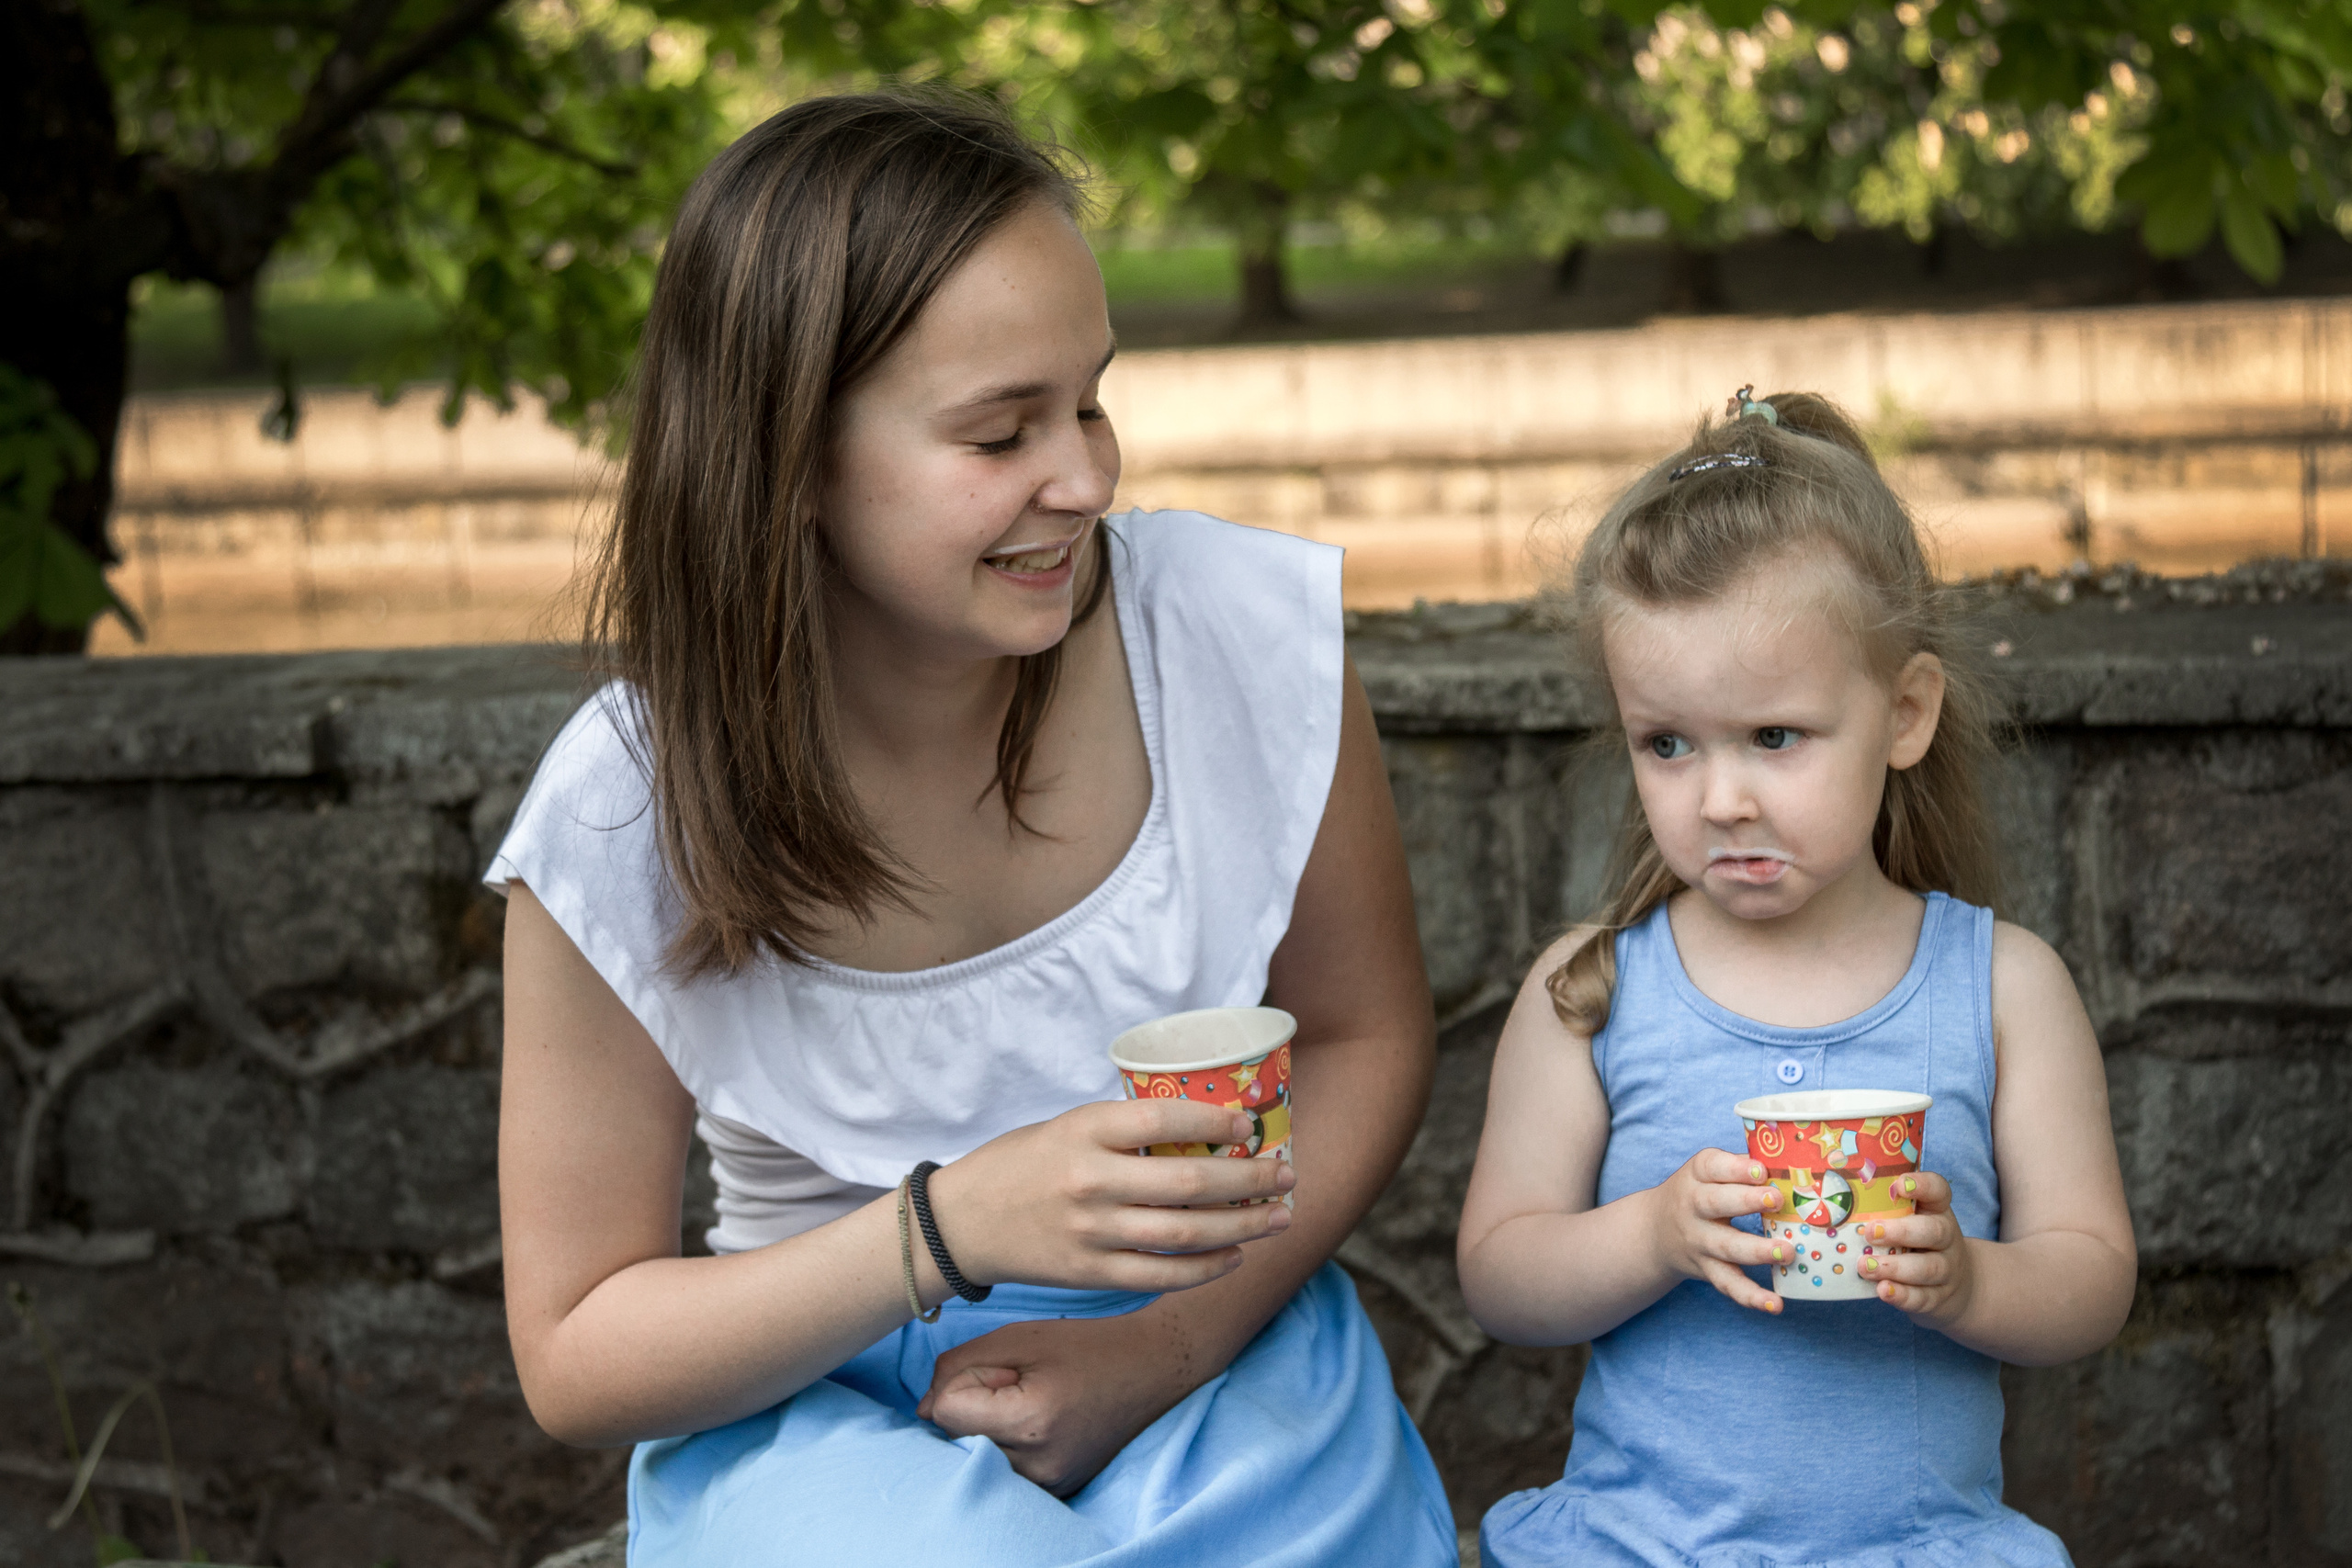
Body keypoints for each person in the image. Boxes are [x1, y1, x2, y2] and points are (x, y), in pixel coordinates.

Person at [485, 91, 1456, 1566]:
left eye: (1090, 400)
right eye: (1002, 431)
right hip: (818, 1387)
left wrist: (1160, 1348)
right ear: (790, 457)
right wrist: (946, 1231)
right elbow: (575, 1347)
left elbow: (1363, 1034)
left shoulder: (1239, 641)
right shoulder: (630, 802)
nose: (1084, 476)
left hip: (1211, 1346)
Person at [1457, 389, 2137, 1567]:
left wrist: (1968, 1279)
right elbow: (1501, 1278)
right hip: (1639, 1544)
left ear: (1905, 711)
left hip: (1916, 1546)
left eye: (1773, 738)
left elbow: (2091, 1279)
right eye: (1666, 743)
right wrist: (1656, 1235)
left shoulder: (2001, 990)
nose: (1719, 798)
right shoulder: (1591, 991)